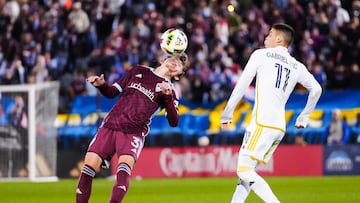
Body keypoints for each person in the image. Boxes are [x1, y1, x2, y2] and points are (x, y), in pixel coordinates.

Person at [220, 23, 322, 203]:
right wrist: (304, 116)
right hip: (279, 128)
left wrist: (227, 114)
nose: (266, 37)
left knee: (243, 171)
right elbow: (316, 89)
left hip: (261, 122)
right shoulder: (297, 66)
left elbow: (241, 86)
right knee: (246, 174)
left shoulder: (260, 55)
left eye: (270, 34)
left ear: (279, 39)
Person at [76, 53, 188, 203]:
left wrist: (167, 96)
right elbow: (112, 92)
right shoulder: (138, 70)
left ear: (178, 75)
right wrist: (101, 85)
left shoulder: (171, 91)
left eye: (181, 63)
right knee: (88, 168)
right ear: (162, 60)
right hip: (110, 124)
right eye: (174, 57)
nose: (176, 61)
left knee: (122, 173)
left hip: (133, 132)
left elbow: (174, 121)